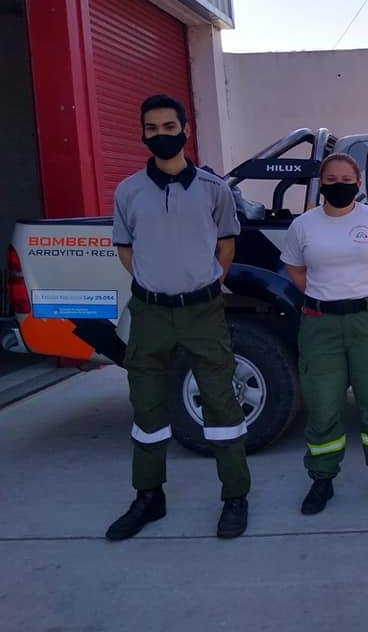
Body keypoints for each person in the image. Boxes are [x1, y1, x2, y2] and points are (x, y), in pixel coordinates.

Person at [108, 94, 251, 540]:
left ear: (185, 131)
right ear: (143, 133)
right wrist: (157, 283)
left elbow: (226, 245)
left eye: (169, 128)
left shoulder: (214, 189)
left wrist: (203, 284)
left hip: (202, 312)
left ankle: (234, 496)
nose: (161, 136)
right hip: (150, 313)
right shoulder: (128, 191)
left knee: (221, 402)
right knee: (147, 405)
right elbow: (125, 248)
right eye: (152, 129)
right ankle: (149, 497)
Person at [281, 153, 368, 514]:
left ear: (358, 183)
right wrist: (324, 294)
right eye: (332, 180)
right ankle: (322, 480)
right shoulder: (304, 226)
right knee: (322, 407)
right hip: (321, 324)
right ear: (322, 183)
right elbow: (294, 266)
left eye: (346, 179)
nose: (339, 185)